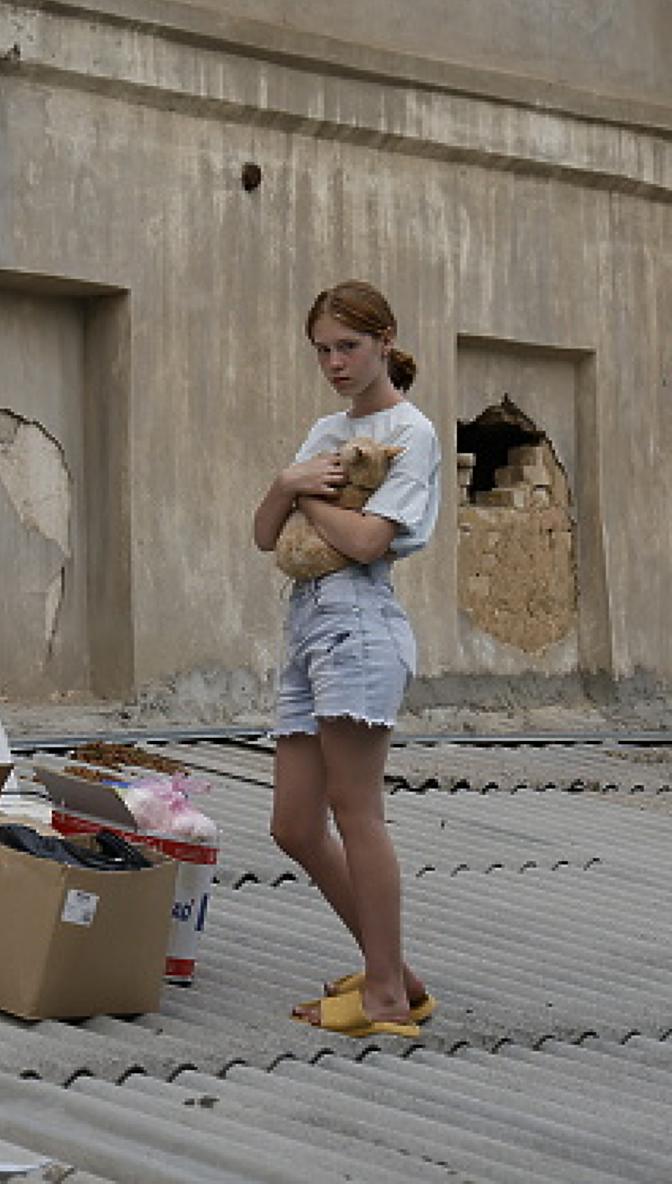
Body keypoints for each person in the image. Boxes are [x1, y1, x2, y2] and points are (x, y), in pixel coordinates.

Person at [252, 280, 442, 1039]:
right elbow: (266, 535)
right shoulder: (326, 428)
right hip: (306, 628)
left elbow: (368, 542)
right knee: (294, 825)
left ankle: (388, 994)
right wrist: (283, 485)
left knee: (356, 811)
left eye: (349, 346)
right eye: (323, 349)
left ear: (386, 340)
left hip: (360, 626)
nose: (334, 361)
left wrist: (306, 496)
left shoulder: (413, 431)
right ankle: (396, 969)